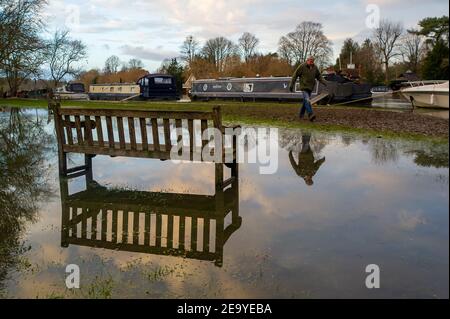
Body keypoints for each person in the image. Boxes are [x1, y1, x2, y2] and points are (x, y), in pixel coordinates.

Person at [289, 56, 327, 122]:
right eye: (310, 61)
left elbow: (319, 76)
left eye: (313, 62)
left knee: (305, 102)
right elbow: (295, 75)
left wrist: (324, 82)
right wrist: (291, 85)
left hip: (310, 87)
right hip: (304, 87)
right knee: (307, 100)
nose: (311, 63)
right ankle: (310, 114)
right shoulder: (302, 66)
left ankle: (300, 115)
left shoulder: (315, 68)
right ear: (307, 60)